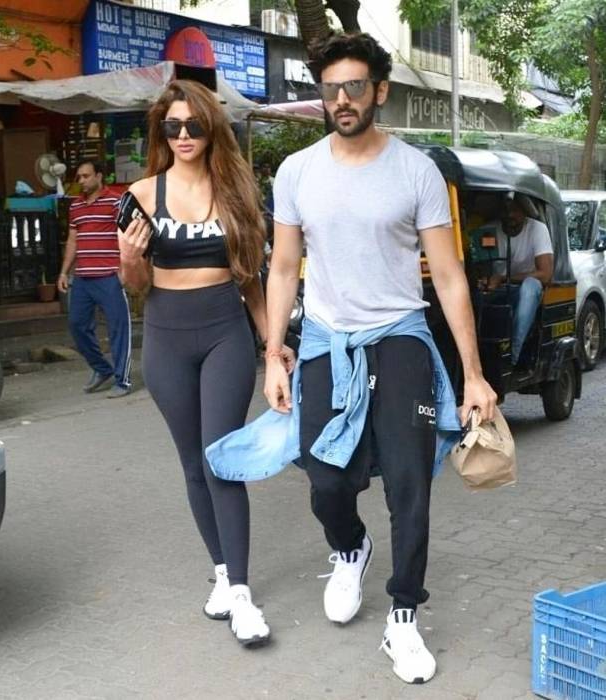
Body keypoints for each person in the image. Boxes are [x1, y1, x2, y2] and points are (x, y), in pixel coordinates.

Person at [263, 33, 497, 684]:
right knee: (326, 480)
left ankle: (403, 616)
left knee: (407, 481)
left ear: (379, 91)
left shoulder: (415, 171)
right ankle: (350, 548)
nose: (341, 99)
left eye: (354, 86)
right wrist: (273, 354)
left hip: (398, 336)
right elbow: (282, 267)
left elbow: (447, 275)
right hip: (325, 338)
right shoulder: (297, 172)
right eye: (330, 88)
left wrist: (473, 373)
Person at [117, 80, 294, 647]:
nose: (184, 135)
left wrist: (273, 350)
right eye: (173, 126)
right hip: (165, 338)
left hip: (224, 335)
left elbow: (252, 281)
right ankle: (221, 571)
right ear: (161, 132)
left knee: (222, 459)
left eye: (194, 125)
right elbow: (135, 285)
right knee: (193, 464)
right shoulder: (140, 196)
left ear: (211, 128)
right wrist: (129, 258)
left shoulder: (235, 193)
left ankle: (241, 594)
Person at [58, 161, 132, 398]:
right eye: (79, 177)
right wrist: (64, 272)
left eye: (86, 176)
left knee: (118, 328)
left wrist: (125, 269)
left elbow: (129, 234)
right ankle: (102, 369)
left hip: (109, 276)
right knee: (77, 325)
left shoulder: (116, 201)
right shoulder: (76, 206)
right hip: (82, 278)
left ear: (99, 176)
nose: (81, 181)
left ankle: (122, 380)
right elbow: (72, 240)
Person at [487, 195, 554, 364]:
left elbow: (545, 274)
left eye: (515, 210)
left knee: (531, 286)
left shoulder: (537, 229)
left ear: (525, 212)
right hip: (496, 290)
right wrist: (484, 281)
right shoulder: (488, 230)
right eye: (505, 210)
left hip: (522, 291)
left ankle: (512, 355)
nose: (509, 215)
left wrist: (503, 278)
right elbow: (479, 267)